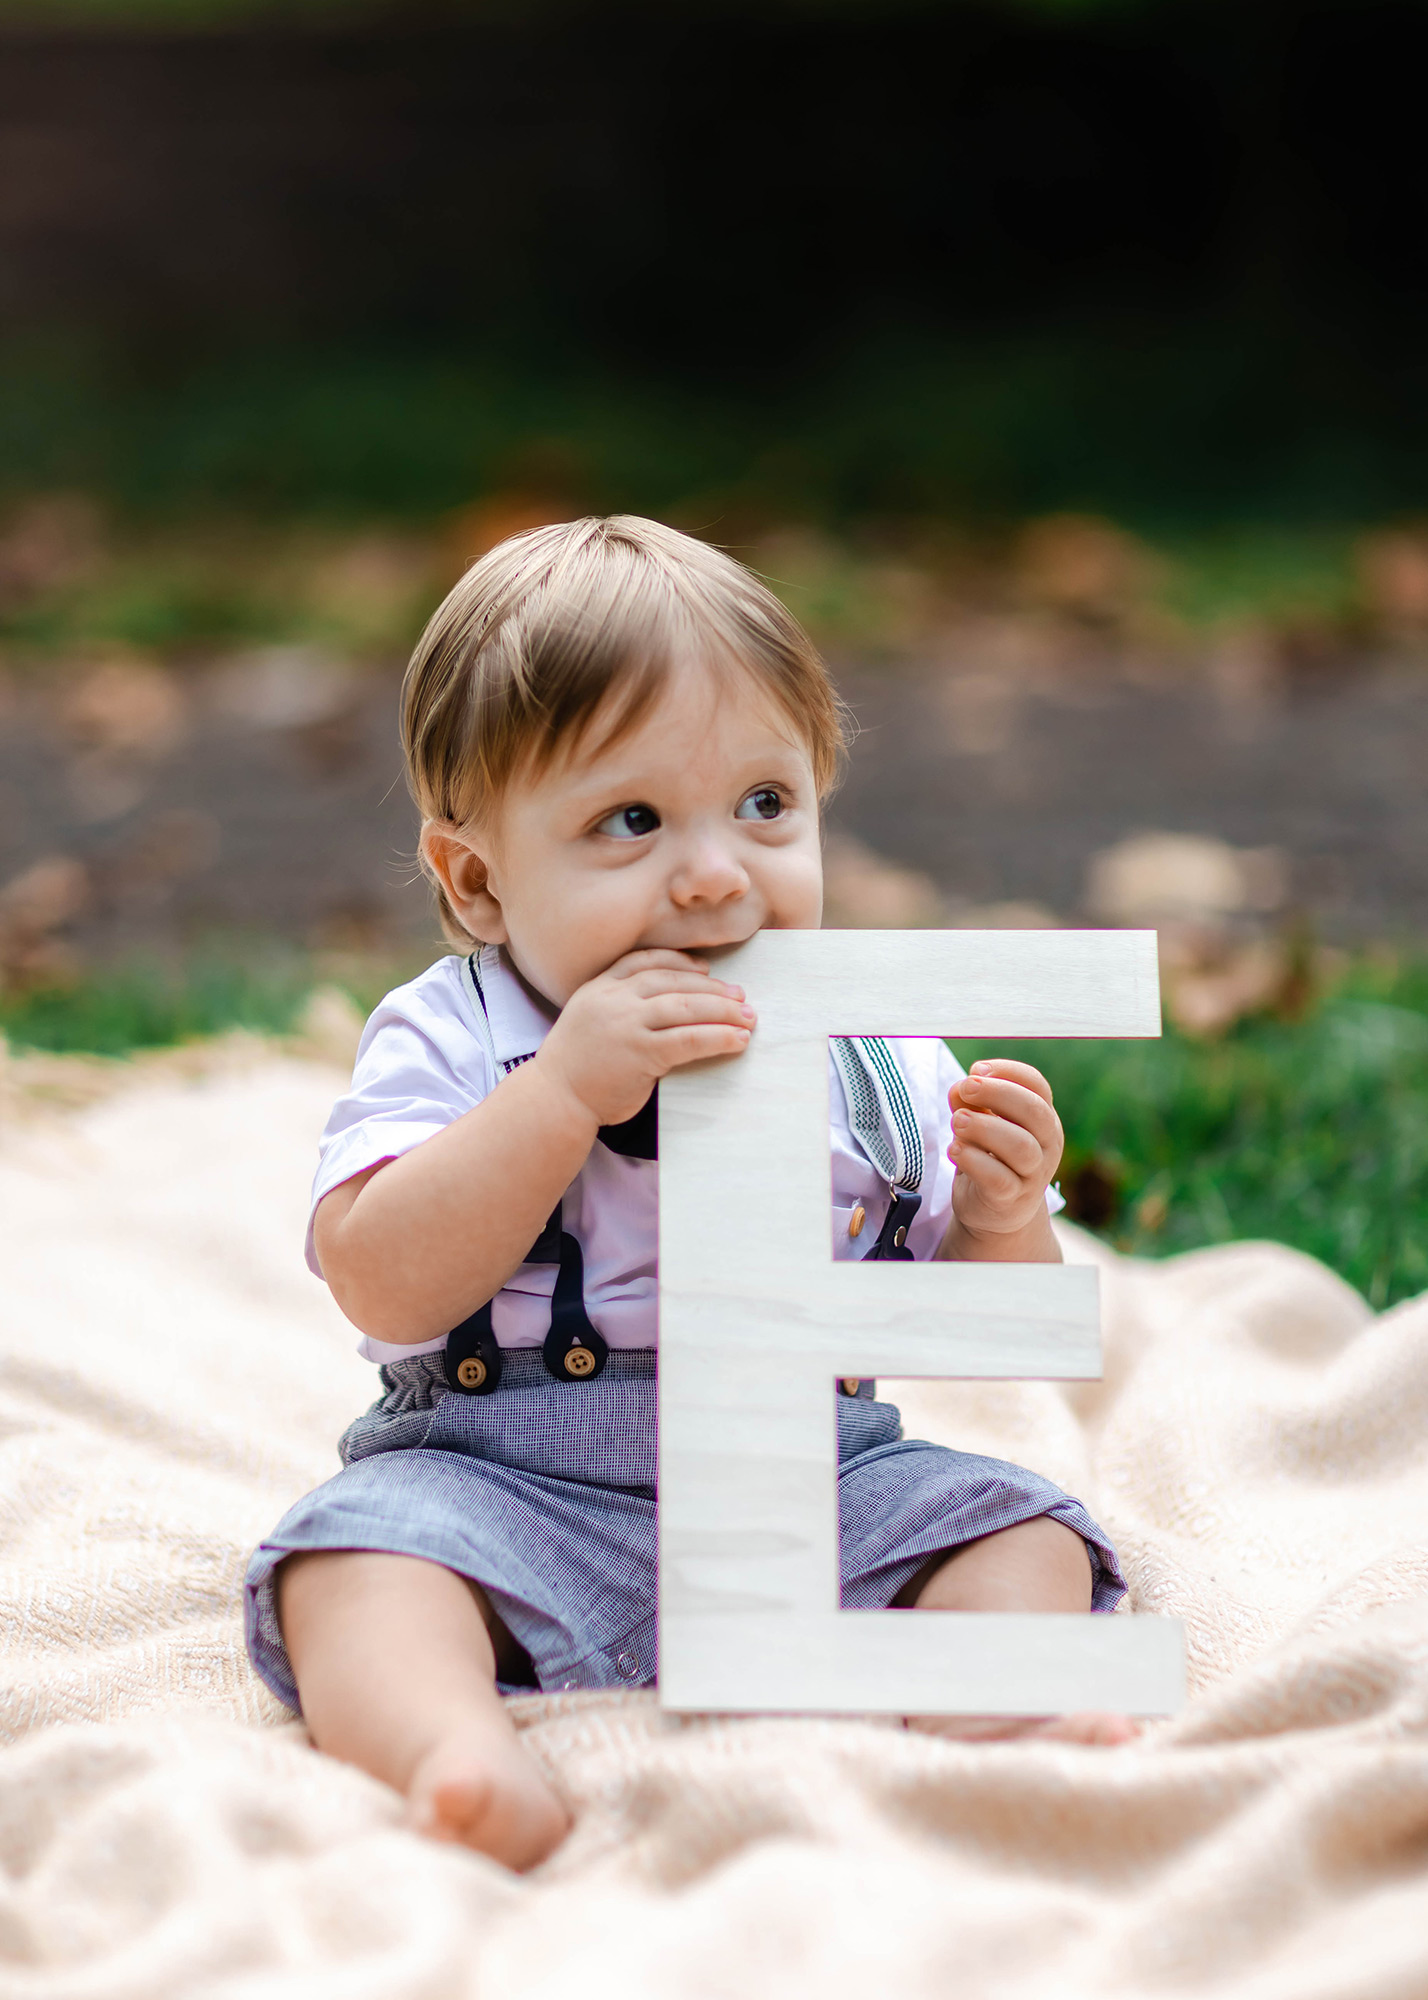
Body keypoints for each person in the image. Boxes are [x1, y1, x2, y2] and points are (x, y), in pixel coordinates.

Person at [244, 516, 1132, 1874]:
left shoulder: (872, 1051)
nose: (717, 874)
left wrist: (1003, 1218)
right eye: (632, 821)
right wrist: (560, 1094)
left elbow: (990, 1336)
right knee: (351, 1562)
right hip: (505, 1479)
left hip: (813, 1472)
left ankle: (995, 1713)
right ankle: (451, 1751)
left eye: (767, 806)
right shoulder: (454, 1035)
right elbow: (381, 1277)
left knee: (1017, 1529)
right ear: (477, 882)